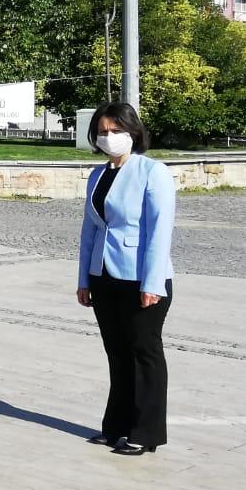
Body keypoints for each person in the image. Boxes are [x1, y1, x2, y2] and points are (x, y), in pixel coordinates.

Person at [77, 102, 176, 456]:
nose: (109, 137)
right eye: (103, 132)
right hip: (104, 275)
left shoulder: (153, 172)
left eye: (116, 131)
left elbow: (159, 232)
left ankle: (144, 431)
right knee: (116, 353)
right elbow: (90, 229)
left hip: (141, 278)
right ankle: (115, 425)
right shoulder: (97, 174)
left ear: (133, 133)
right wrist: (85, 278)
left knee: (143, 353)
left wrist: (152, 283)